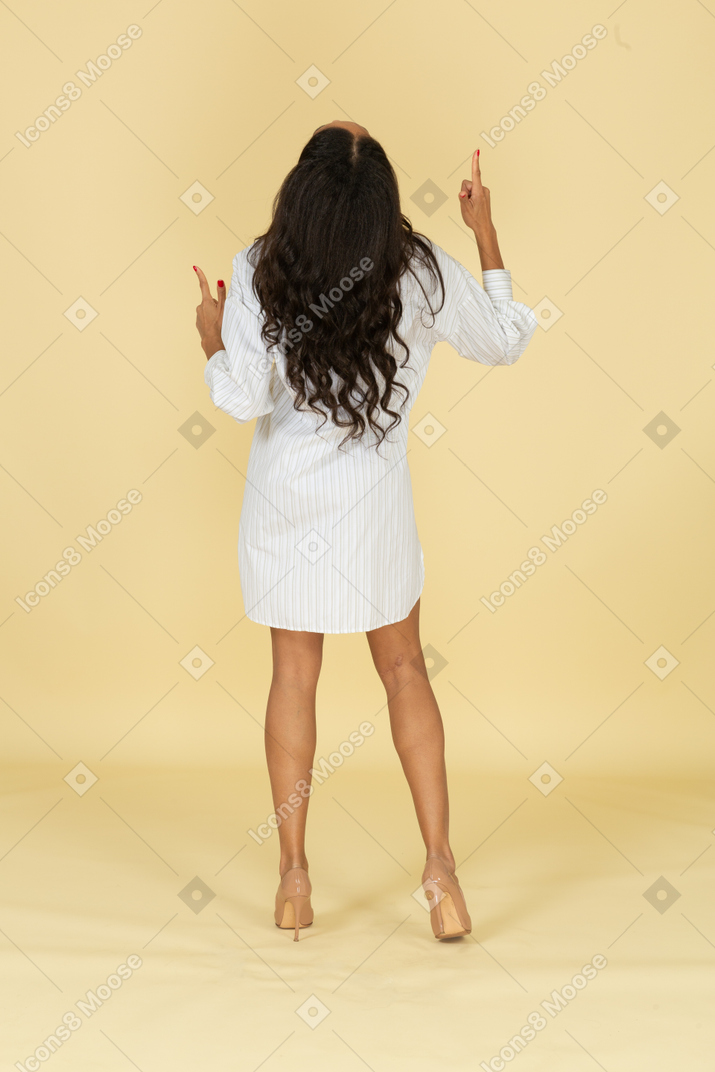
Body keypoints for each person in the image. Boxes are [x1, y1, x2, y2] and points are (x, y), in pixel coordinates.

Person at [194, 120, 538, 941]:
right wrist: (484, 229)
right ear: (380, 203)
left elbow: (239, 396)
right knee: (406, 672)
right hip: (374, 511)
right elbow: (505, 342)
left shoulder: (256, 270)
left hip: (287, 507)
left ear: (302, 196)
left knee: (293, 679)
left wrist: (210, 338)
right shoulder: (417, 270)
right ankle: (440, 872)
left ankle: (294, 880)